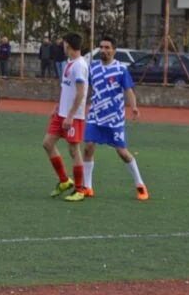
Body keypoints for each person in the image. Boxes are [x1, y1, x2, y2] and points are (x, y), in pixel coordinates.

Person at [82, 36, 149, 201]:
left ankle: (140, 185)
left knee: (122, 153)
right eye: (101, 47)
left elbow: (129, 90)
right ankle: (87, 187)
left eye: (107, 47)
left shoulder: (121, 69)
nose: (103, 50)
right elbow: (85, 88)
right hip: (95, 116)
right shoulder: (93, 67)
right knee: (88, 148)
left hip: (114, 119)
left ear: (114, 50)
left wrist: (133, 107)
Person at [42, 32, 89, 202]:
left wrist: (70, 116)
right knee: (47, 143)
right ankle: (64, 181)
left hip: (73, 116)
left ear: (68, 45)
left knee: (73, 150)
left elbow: (81, 93)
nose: (62, 46)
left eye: (63, 43)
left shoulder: (80, 65)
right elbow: (66, 89)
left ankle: (79, 189)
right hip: (61, 113)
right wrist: (58, 106)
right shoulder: (70, 63)